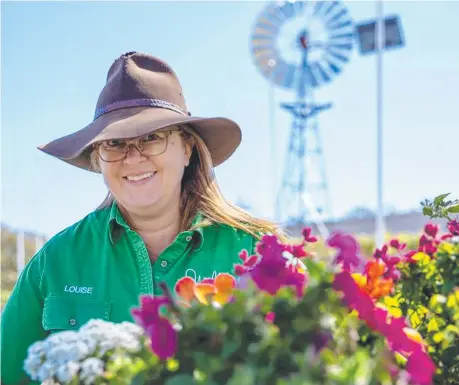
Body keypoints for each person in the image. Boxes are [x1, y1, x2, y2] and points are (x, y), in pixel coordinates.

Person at [1, 51, 283, 385]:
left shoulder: (257, 252)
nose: (133, 157)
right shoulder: (54, 262)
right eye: (114, 143)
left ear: (187, 148)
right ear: (97, 159)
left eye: (152, 137)